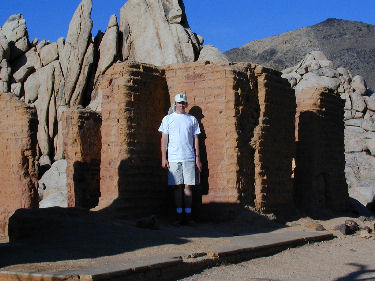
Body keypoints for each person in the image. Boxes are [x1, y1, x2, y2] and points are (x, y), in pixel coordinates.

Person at [158, 93, 202, 225]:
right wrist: (163, 158)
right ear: (175, 104)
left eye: (183, 103)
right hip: (173, 157)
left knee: (188, 188)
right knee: (177, 188)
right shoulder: (167, 119)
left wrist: (197, 158)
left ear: (186, 104)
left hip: (188, 157)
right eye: (179, 102)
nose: (181, 105)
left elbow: (196, 139)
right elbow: (164, 139)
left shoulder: (192, 119)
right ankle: (178, 215)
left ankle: (188, 216)